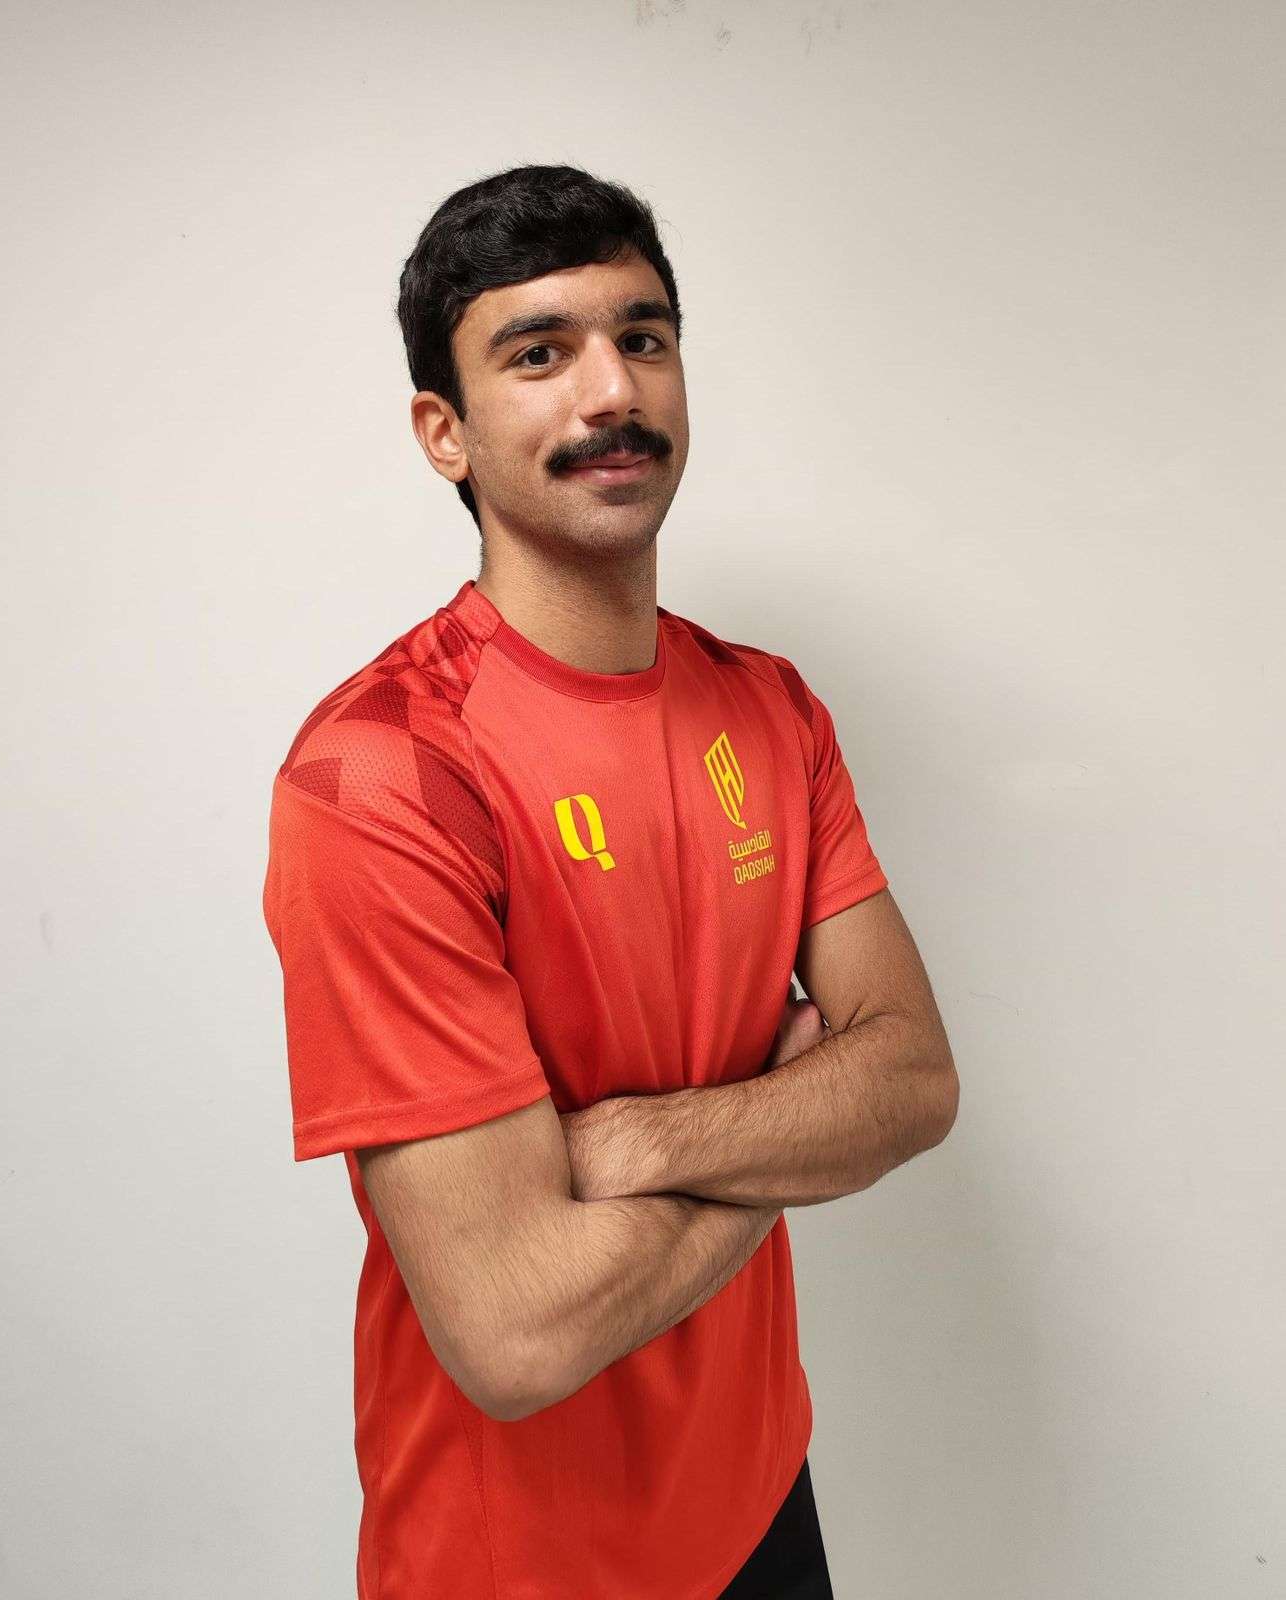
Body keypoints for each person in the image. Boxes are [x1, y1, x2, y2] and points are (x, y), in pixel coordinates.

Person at [261, 163, 958, 1600]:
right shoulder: (382, 775)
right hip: (516, 1564)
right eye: (539, 353)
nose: (611, 392)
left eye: (642, 338)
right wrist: (788, 1129)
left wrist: (637, 1139)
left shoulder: (771, 708)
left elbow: (913, 1083)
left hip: (761, 1499)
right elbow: (515, 1334)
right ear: (443, 434)